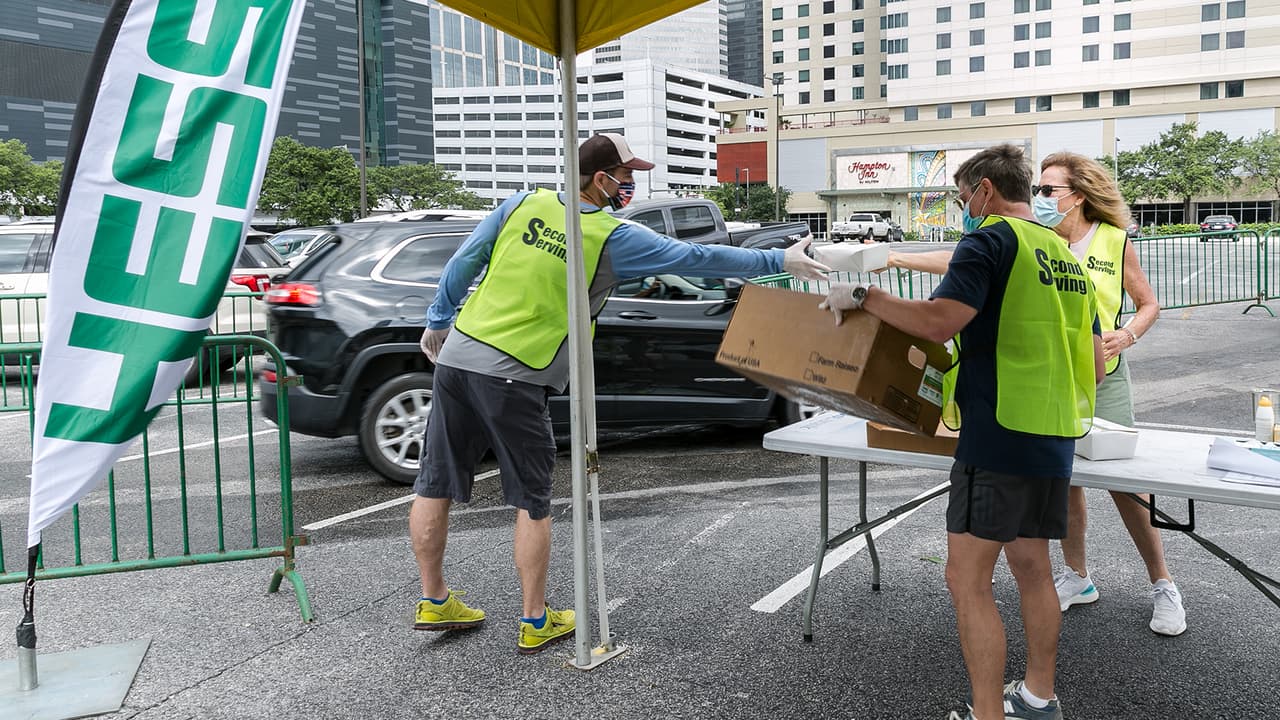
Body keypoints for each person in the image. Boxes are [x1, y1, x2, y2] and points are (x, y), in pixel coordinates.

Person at [409, 133, 830, 654]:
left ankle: (433, 598)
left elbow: (464, 262)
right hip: (519, 373)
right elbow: (695, 258)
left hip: (458, 357)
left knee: (435, 482)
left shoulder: (523, 202)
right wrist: (778, 262)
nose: (630, 182)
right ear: (601, 178)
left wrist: (437, 321)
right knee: (532, 499)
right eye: (625, 174)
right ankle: (536, 620)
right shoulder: (611, 236)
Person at [820, 144, 1104, 720]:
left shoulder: (989, 240)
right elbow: (1096, 363)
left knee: (966, 579)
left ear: (984, 192)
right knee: (1035, 571)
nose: (962, 209)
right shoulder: (1064, 255)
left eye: (961, 198)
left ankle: (985, 714)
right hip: (1052, 437)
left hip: (997, 435)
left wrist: (863, 295)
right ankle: (1038, 698)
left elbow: (939, 320)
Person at [886, 152, 1183, 636]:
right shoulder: (1036, 239)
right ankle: (1078, 576)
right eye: (1038, 188)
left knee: (1127, 486)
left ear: (1078, 196)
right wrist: (898, 257)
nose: (1041, 197)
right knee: (1063, 487)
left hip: (1093, 373)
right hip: (1046, 382)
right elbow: (966, 259)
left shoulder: (1110, 240)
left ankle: (1162, 582)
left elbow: (1147, 302)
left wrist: (1125, 335)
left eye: (1051, 191)